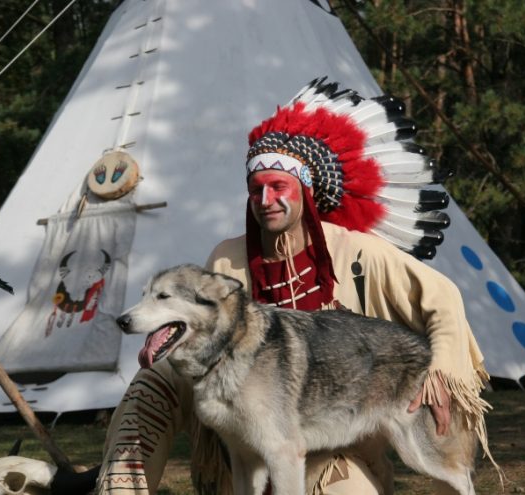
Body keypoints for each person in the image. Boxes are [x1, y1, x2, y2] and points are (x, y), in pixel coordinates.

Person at [66, 78, 492, 495]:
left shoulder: (358, 252)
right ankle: (120, 489)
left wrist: (440, 370)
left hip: (331, 436)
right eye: (256, 190)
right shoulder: (227, 258)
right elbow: (205, 339)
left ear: (304, 191)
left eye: (278, 187)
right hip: (240, 413)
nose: (266, 199)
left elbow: (442, 298)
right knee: (154, 381)